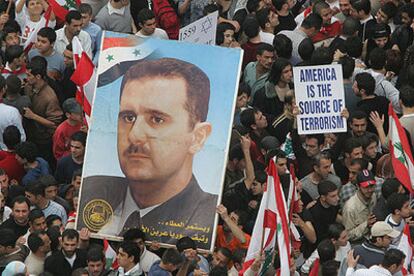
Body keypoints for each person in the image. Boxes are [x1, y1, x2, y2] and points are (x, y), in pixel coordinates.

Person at [78, 58, 217, 249]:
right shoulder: (90, 190)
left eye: (157, 119)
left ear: (198, 137)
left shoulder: (207, 220)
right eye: (128, 117)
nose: (135, 135)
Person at [342, 169, 377, 243]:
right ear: (358, 186)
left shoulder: (373, 196)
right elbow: (348, 235)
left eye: (372, 186)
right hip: (358, 243)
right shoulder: (350, 208)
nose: (370, 190)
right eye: (366, 187)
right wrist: (366, 224)